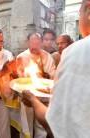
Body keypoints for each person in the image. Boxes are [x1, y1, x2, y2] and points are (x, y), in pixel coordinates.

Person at [21, 0, 90, 137]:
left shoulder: (76, 51)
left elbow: (56, 124)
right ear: (28, 42)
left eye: (80, 11)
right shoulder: (21, 57)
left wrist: (33, 99)